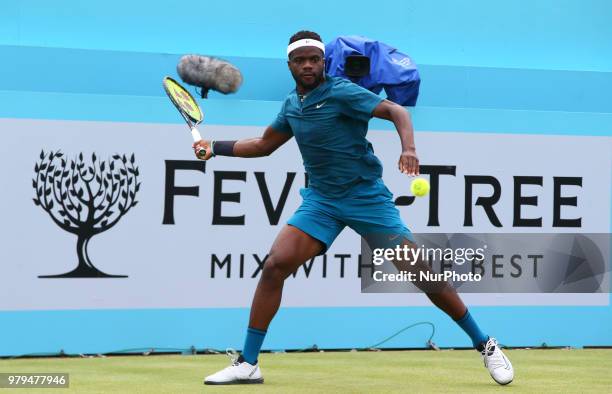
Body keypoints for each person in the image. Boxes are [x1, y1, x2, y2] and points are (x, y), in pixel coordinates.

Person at [197, 30, 514, 386]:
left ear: (323, 62)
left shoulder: (342, 92)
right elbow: (263, 145)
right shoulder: (292, 105)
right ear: (289, 65)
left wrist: (408, 148)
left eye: (313, 59)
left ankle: (485, 343)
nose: (307, 65)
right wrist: (213, 147)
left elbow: (395, 111)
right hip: (321, 201)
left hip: (365, 198)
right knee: (275, 265)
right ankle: (248, 363)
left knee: (422, 274)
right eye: (299, 60)